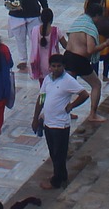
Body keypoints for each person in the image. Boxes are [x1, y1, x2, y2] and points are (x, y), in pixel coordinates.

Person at [36, 53, 88, 190]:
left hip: (60, 125)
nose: (56, 68)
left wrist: (71, 106)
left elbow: (84, 94)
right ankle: (61, 175)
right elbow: (41, 97)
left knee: (59, 154)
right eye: (53, 66)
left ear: (64, 67)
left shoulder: (68, 80)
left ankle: (56, 182)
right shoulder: (47, 79)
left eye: (59, 66)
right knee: (53, 153)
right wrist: (36, 117)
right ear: (50, 67)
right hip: (48, 123)